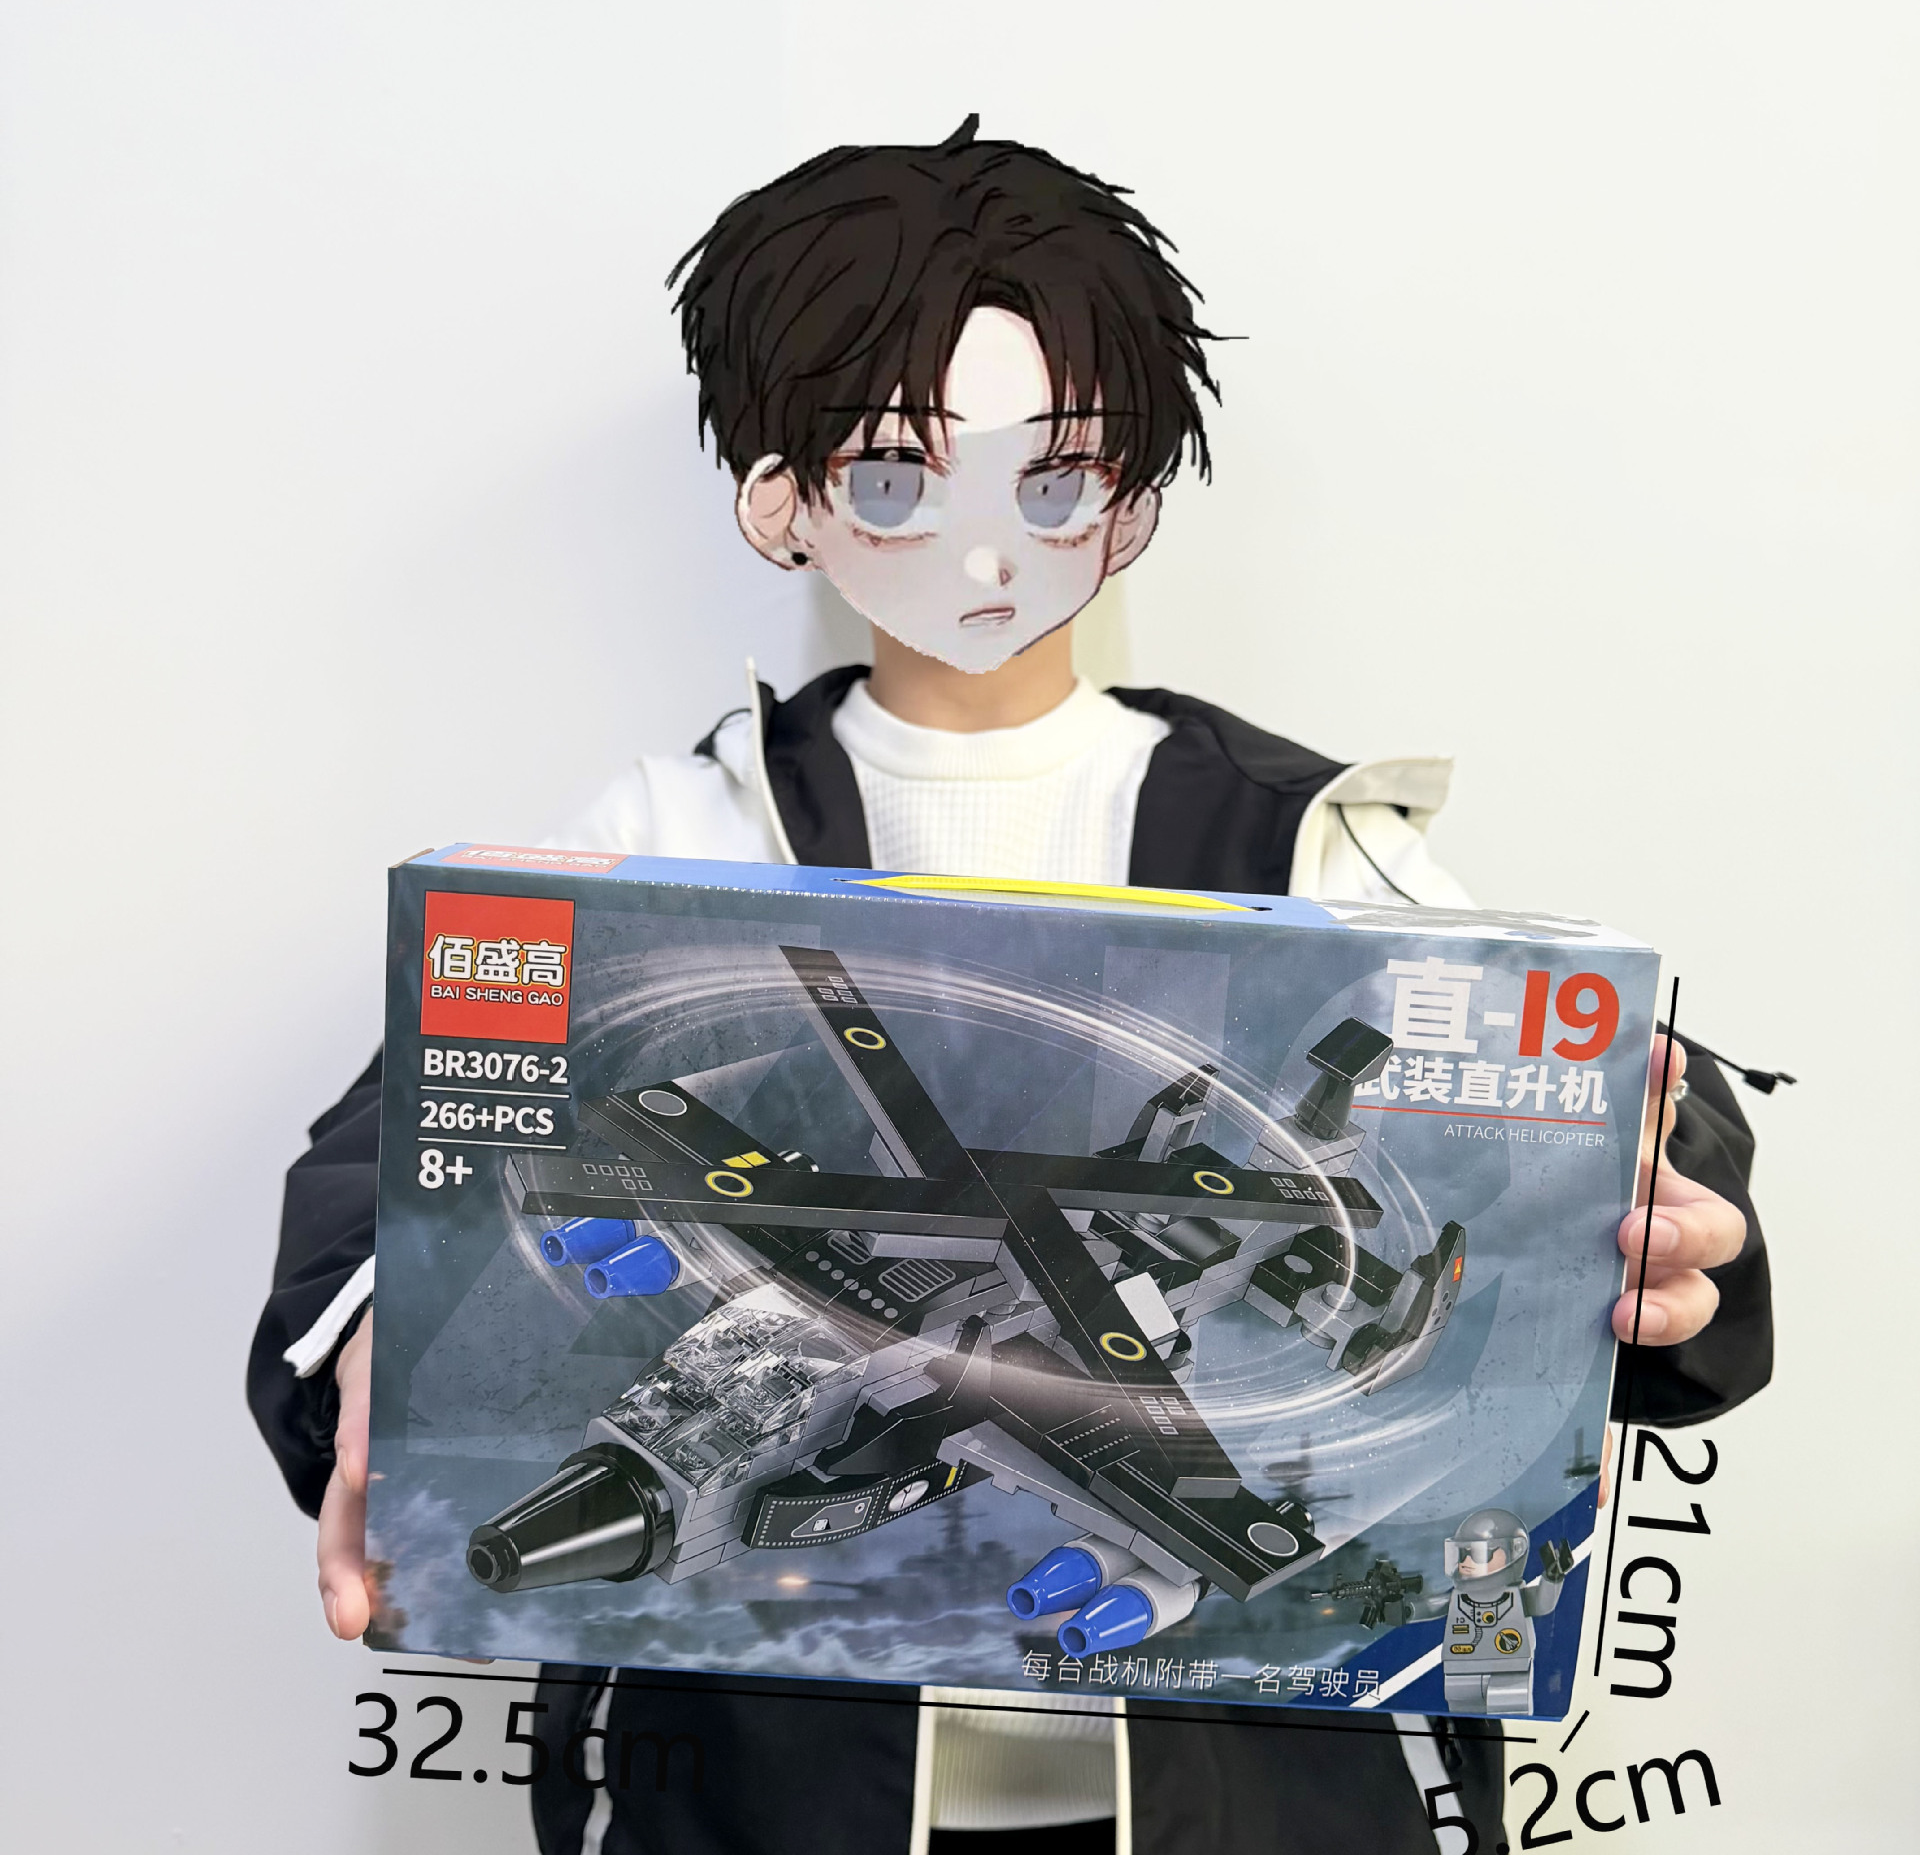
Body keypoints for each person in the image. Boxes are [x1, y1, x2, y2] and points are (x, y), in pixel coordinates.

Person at [250, 119, 1771, 1855]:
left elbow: (1604, 1093)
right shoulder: (673, 840)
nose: (985, 554)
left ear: (1130, 500)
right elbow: (405, 1142)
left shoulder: (1309, 843)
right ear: (783, 499)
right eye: (897, 477)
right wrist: (383, 1330)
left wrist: (1652, 1205)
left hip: (1237, 1801)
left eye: (1051, 480)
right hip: (763, 1792)